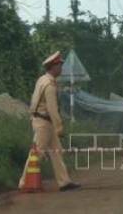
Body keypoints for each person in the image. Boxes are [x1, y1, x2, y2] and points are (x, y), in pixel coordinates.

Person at [19, 51, 81, 192]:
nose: (61, 68)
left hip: (43, 121)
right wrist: (59, 128)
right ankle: (24, 183)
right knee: (37, 154)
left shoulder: (42, 80)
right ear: (53, 67)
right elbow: (52, 109)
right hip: (44, 122)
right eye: (59, 66)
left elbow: (34, 102)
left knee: (57, 152)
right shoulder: (50, 86)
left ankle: (64, 182)